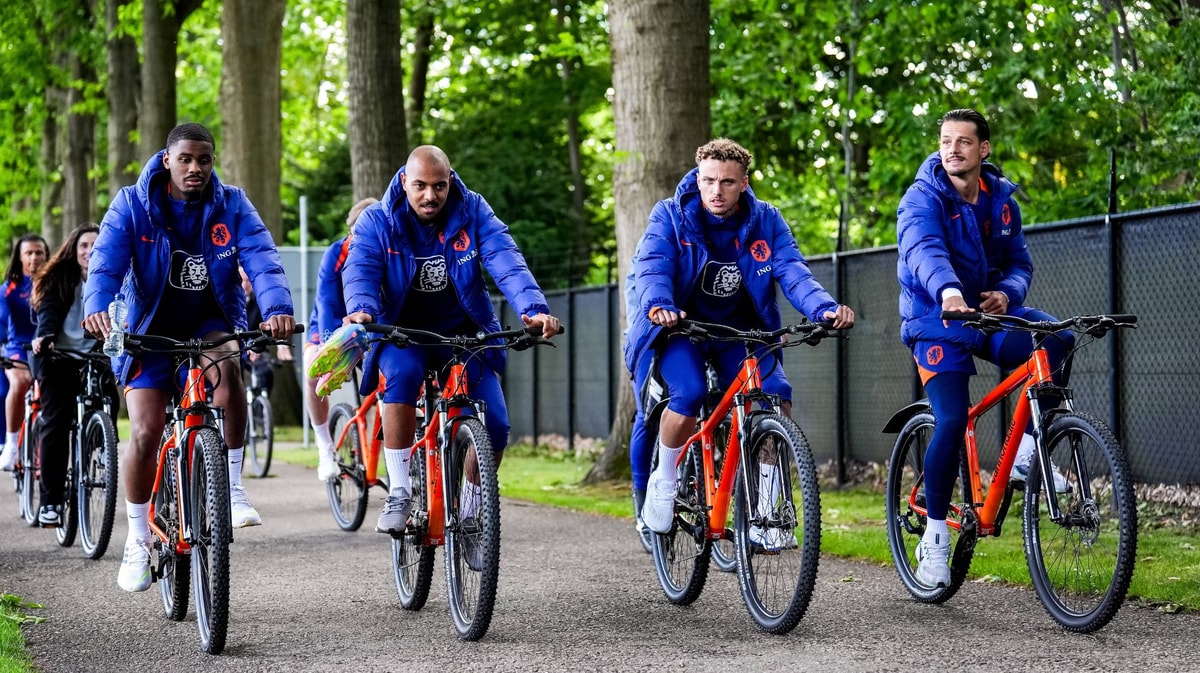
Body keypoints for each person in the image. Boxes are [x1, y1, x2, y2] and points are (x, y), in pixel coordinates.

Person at [83, 122, 296, 593]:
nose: (196, 167)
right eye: (186, 159)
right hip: (150, 325)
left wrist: (278, 309)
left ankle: (233, 489)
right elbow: (106, 262)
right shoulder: (131, 204)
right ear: (167, 160)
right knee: (144, 429)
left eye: (204, 159)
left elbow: (262, 256)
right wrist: (96, 306)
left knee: (229, 371)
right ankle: (138, 538)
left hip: (210, 318)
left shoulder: (233, 203)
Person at [628, 138, 855, 548]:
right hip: (683, 330)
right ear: (698, 179)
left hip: (741, 332)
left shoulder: (767, 219)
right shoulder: (669, 215)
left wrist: (823, 307)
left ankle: (767, 509)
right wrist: (660, 304)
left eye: (728, 183)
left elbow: (793, 271)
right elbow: (652, 267)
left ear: (743, 183)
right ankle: (664, 478)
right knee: (690, 391)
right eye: (709, 181)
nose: (717, 191)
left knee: (776, 394)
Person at [340, 145, 560, 548]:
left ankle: (475, 513)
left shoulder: (473, 210)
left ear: (450, 181)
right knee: (402, 377)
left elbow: (505, 258)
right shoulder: (377, 220)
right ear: (404, 182)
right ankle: (401, 492)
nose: (430, 196)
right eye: (420, 186)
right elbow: (361, 268)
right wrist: (361, 310)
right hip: (401, 334)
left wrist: (532, 309)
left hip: (464, 334)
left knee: (495, 424)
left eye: (439, 186)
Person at [896, 108, 1073, 589]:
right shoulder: (920, 198)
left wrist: (1008, 295)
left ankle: (1028, 451)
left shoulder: (1002, 202)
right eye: (946, 140)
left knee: (1059, 338)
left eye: (964, 142)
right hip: (936, 320)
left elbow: (1019, 262)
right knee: (952, 420)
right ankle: (934, 539)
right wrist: (949, 292)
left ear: (983, 150)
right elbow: (923, 250)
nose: (953, 149)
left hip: (987, 314)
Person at [30, 224, 115, 526]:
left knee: (109, 395)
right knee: (55, 423)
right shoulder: (58, 278)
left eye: (96, 244)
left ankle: (104, 448)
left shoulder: (111, 277)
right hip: (58, 355)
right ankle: (50, 503)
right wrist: (46, 336)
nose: (89, 251)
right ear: (74, 249)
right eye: (83, 245)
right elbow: (48, 311)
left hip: (94, 354)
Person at [304, 197, 378, 482]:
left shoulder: (386, 250)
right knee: (314, 371)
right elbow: (326, 302)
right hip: (333, 321)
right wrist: (328, 347)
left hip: (372, 324)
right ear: (351, 232)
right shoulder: (336, 254)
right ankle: (325, 446)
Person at [0, 234, 48, 471]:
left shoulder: (55, 282)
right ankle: (10, 444)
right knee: (21, 383)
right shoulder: (9, 288)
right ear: (19, 258)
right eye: (28, 253)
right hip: (18, 348)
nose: (34, 257)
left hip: (49, 347)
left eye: (39, 252)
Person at [240, 265, 294, 397]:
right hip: (235, 348)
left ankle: (263, 398)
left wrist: (282, 346)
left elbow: (273, 321)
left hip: (258, 347)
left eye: (248, 281)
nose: (245, 285)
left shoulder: (261, 302)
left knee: (267, 370)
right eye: (242, 280)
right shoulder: (231, 302)